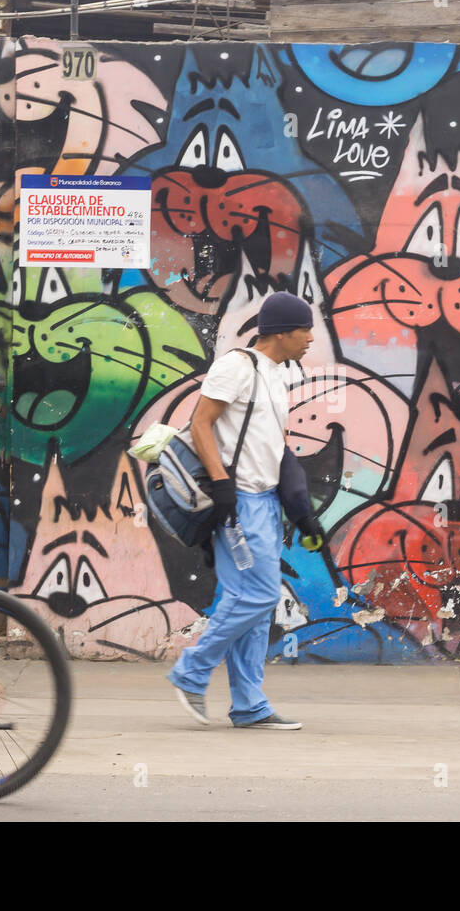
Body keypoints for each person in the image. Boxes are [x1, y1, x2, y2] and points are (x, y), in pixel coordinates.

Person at [167, 291, 326, 730]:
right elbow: (201, 422)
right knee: (258, 597)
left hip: (266, 502)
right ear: (281, 332)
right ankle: (191, 671)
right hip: (239, 502)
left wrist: (301, 512)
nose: (311, 338)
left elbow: (275, 448)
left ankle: (249, 705)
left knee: (253, 608)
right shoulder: (236, 367)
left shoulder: (276, 374)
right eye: (304, 330)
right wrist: (222, 485)